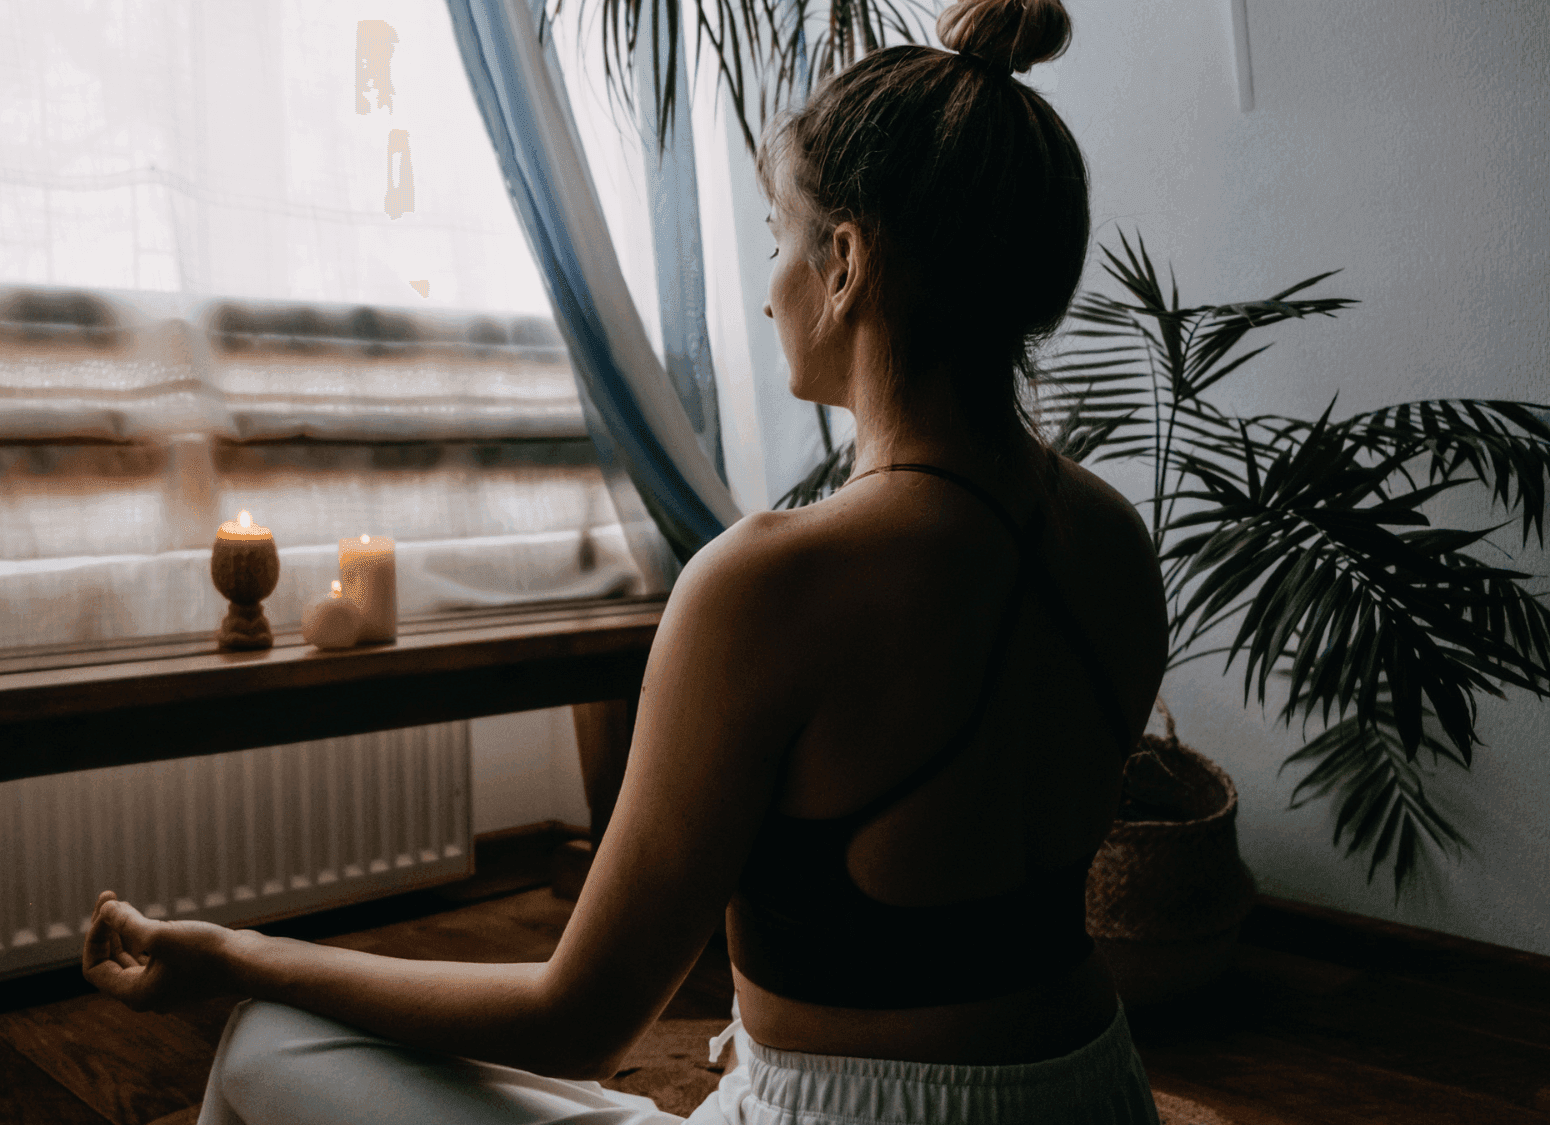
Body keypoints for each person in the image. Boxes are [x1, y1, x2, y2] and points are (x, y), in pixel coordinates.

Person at [82, 0, 1169, 1120]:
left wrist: (234, 955)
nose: (765, 285)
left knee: (269, 1041)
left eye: (775, 238)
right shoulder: (1109, 541)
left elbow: (577, 1021)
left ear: (842, 264)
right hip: (1095, 1089)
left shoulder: (772, 583)